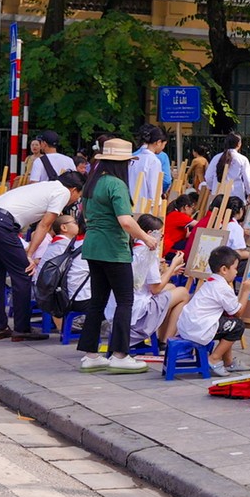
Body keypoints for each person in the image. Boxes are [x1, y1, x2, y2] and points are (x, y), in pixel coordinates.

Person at [76, 138, 158, 373]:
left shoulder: (93, 182)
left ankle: (91, 355)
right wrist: (146, 238)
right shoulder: (116, 184)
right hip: (113, 248)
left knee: (97, 301)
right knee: (125, 300)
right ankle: (120, 354)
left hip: (93, 246)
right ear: (122, 163)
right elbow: (125, 221)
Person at [0, 169, 81, 341]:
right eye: (78, 196)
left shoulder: (46, 186)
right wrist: (29, 254)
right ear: (74, 189)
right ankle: (22, 328)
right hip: (0, 222)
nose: (75, 200)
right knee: (24, 273)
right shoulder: (62, 192)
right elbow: (44, 225)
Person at [165, 244, 244, 370]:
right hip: (199, 329)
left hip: (186, 327)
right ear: (224, 269)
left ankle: (228, 362)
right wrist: (246, 291)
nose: (236, 272)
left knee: (228, 323)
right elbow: (238, 312)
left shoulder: (210, 281)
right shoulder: (223, 288)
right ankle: (214, 358)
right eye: (235, 268)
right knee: (237, 326)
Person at [130, 212, 188, 344]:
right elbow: (155, 289)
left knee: (171, 287)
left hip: (132, 301)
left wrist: (169, 273)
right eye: (161, 234)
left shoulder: (135, 247)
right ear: (150, 233)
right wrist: (173, 266)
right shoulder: (148, 252)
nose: (161, 238)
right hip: (140, 310)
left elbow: (145, 281)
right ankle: (166, 340)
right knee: (183, 293)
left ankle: (163, 337)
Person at [203, 133, 250, 205]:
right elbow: (247, 180)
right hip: (236, 197)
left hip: (218, 197)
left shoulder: (216, 158)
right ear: (239, 144)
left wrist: (211, 188)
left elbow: (208, 177)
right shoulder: (242, 159)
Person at [128, 125, 169, 210]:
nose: (163, 148)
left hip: (131, 205)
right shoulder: (154, 161)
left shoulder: (134, 158)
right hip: (146, 207)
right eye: (164, 144)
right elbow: (155, 190)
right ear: (158, 142)